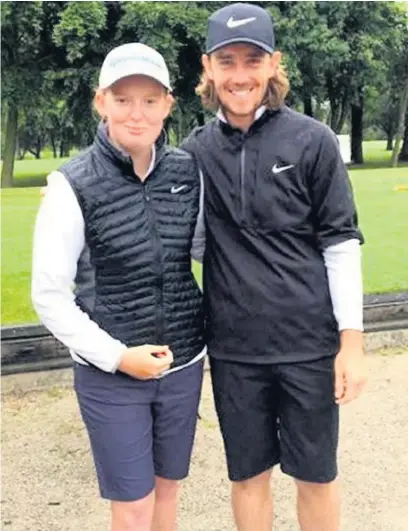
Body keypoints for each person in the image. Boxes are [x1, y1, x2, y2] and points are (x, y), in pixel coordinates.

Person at [180, 3, 368, 531]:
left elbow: (340, 244)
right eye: (227, 61)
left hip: (308, 344)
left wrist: (350, 343)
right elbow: (190, 244)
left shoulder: (313, 141)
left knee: (315, 476)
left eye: (252, 60)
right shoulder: (192, 151)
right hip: (235, 348)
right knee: (247, 477)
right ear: (208, 69)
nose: (240, 75)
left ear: (273, 64)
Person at [32, 42, 206, 531]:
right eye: (123, 98)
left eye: (150, 100)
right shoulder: (72, 184)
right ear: (100, 101)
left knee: (168, 494)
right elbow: (49, 295)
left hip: (184, 361)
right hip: (112, 374)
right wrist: (115, 356)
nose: (137, 112)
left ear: (168, 104)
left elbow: (205, 250)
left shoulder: (187, 172)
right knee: (133, 507)